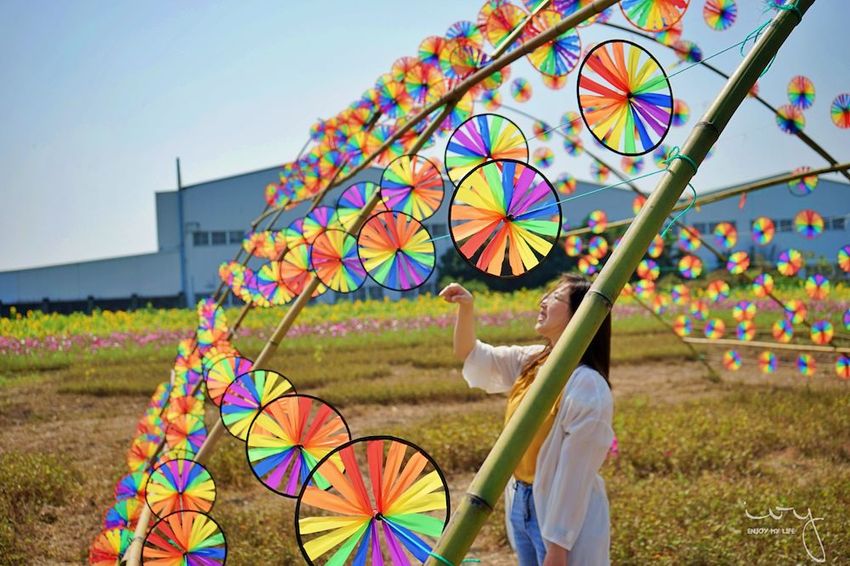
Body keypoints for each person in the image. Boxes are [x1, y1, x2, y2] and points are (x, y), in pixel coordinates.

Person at [439, 274, 614, 566]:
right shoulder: (533, 360)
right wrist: (466, 308)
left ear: (580, 314)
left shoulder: (587, 385)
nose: (542, 302)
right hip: (522, 500)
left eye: (555, 298)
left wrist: (558, 545)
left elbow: (576, 473)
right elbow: (470, 353)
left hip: (560, 515)